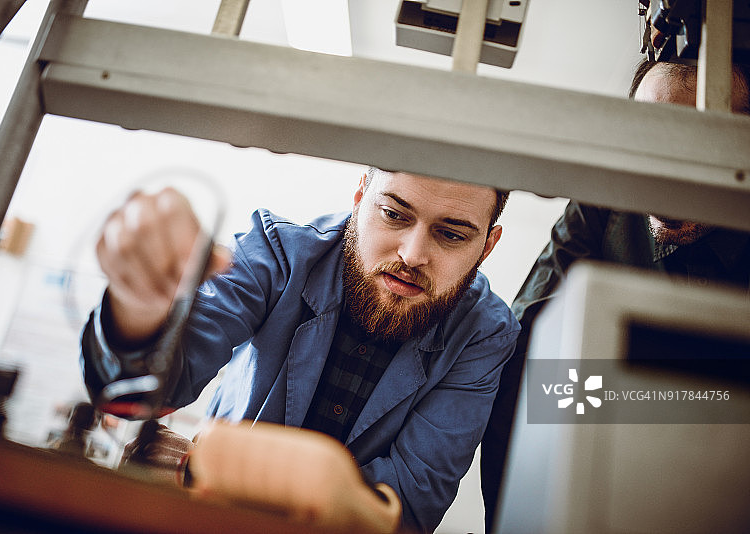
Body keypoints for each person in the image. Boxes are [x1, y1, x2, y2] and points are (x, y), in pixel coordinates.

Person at [80, 167, 519, 532]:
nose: (413, 253)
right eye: (393, 214)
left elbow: (413, 506)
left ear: (488, 245)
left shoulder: (485, 334)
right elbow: (139, 391)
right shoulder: (277, 252)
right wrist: (140, 307)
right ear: (360, 196)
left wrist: (227, 472)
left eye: (452, 235)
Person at [479, 58, 750, 533]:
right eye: (650, 140)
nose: (666, 179)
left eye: (700, 147)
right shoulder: (604, 198)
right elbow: (526, 354)